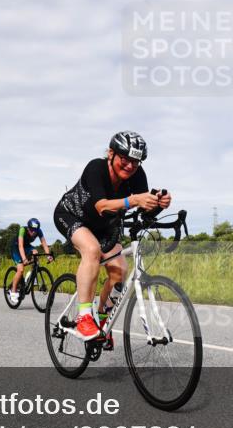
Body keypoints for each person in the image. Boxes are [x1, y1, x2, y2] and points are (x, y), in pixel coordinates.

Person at [54, 131, 172, 340]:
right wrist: (134, 200)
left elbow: (142, 210)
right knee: (91, 250)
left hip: (106, 226)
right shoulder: (96, 168)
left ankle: (101, 316)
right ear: (111, 153)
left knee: (120, 271)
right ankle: (84, 317)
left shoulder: (137, 175)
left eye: (135, 162)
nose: (130, 166)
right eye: (125, 159)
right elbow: (102, 206)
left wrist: (158, 205)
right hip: (73, 216)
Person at [9, 218, 53, 302]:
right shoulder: (22, 230)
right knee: (21, 269)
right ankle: (13, 290)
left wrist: (48, 255)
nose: (33, 233)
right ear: (28, 228)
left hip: (27, 247)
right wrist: (24, 259)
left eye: (35, 231)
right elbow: (20, 246)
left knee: (35, 253)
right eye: (32, 230)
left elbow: (44, 243)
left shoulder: (38, 231)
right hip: (16, 247)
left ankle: (32, 274)